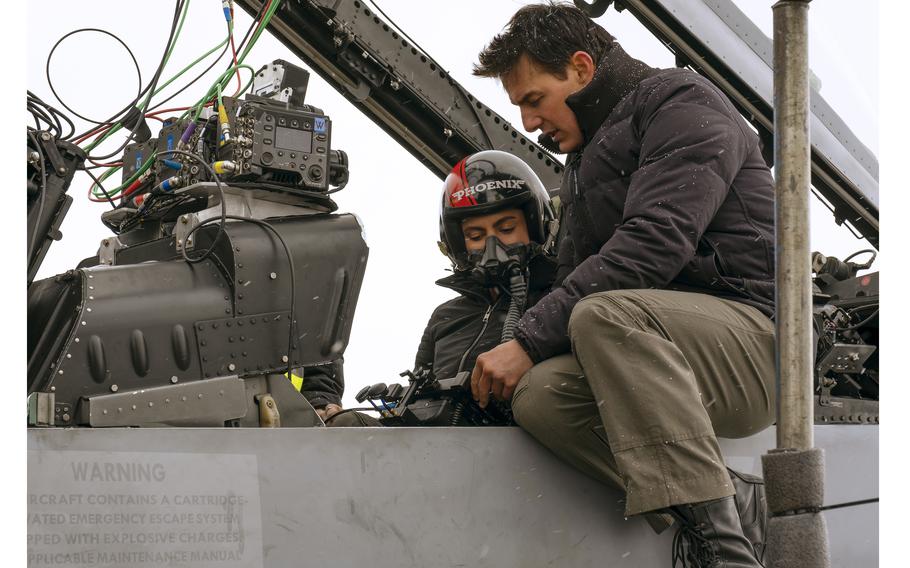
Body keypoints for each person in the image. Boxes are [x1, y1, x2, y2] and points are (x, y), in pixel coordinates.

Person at [470, 3, 775, 567]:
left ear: (582, 69)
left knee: (602, 315)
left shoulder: (681, 103)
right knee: (540, 398)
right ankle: (732, 501)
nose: (529, 123)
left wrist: (529, 341)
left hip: (758, 344)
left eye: (534, 100)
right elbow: (572, 278)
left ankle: (727, 555)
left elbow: (655, 243)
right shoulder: (584, 163)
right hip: (661, 352)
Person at [322, 149, 559, 427]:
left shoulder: (556, 305)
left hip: (520, 457)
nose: (492, 247)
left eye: (506, 228)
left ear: (534, 226)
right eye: (476, 235)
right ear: (460, 243)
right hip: (439, 454)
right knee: (346, 426)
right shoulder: (445, 317)